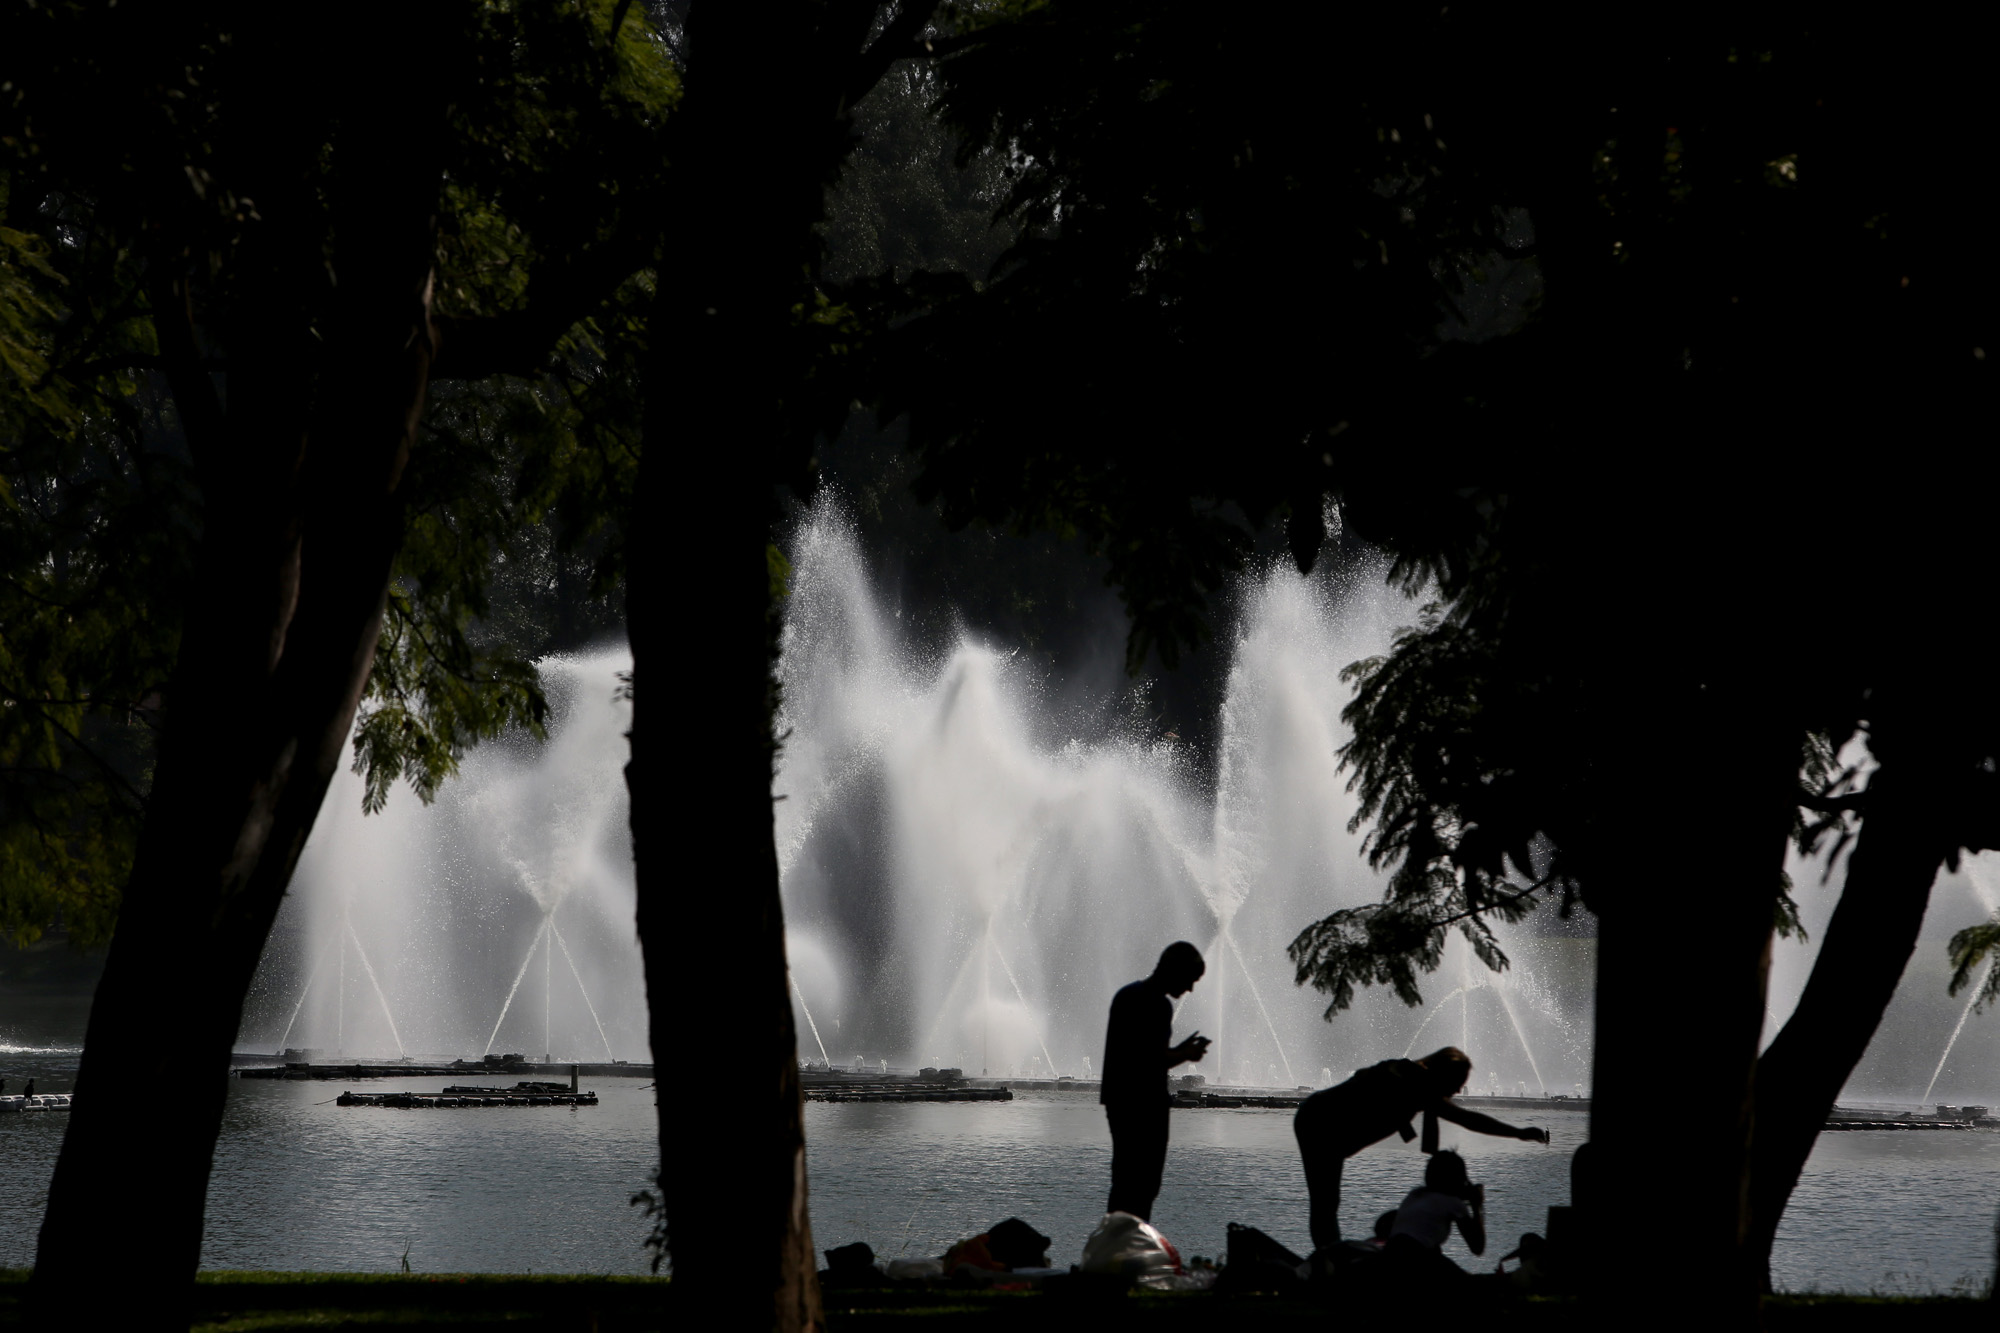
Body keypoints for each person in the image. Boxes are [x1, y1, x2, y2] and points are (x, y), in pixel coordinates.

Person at [1293, 1047, 1547, 1255]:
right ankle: (1330, 1261)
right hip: (1319, 1121)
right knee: (1325, 1203)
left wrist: (1518, 1133)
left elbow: (1465, 1118)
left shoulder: (1417, 1085)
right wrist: (1518, 1133)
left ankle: (1330, 1258)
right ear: (1442, 1074)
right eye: (1457, 1083)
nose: (1458, 1091)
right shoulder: (1408, 1079)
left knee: (1327, 1203)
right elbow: (1467, 1119)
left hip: (1324, 1124)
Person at [1100, 941, 1210, 1220]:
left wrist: (1178, 1051)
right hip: (1145, 1106)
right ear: (1175, 970)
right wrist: (1187, 1054)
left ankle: (1116, 1243)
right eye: (1190, 980)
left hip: (1119, 1101)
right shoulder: (1157, 1004)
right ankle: (1131, 1245)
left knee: (1124, 1178)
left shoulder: (1126, 995)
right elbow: (1149, 1062)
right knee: (1144, 1183)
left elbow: (1137, 1054)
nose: (1190, 989)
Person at [1387, 1149, 1485, 1262]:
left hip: (1391, 1252)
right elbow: (1477, 1248)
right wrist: (1476, 1206)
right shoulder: (1454, 1204)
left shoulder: (1415, 1195)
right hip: (1415, 1255)